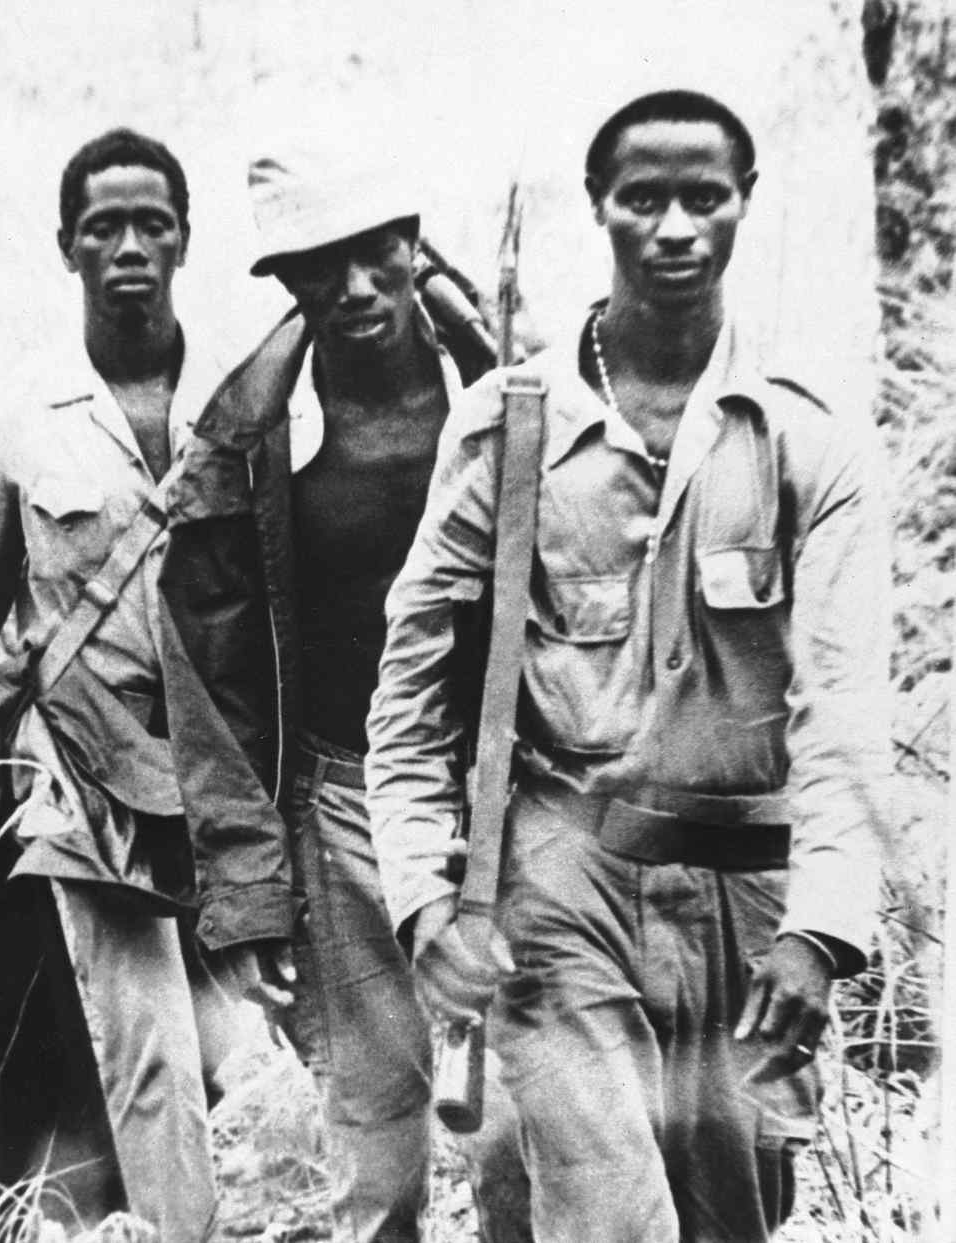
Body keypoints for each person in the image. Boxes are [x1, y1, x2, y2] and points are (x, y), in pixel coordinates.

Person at [367, 85, 890, 1243]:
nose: (674, 229)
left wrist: (819, 930)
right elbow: (410, 700)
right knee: (611, 1217)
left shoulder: (808, 436)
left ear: (743, 202)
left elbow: (844, 713)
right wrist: (423, 899)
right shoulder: (506, 428)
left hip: (749, 897)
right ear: (596, 205)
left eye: (703, 199)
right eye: (642, 200)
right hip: (563, 881)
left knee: (733, 1215)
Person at [0, 125, 275, 1240]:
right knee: (142, 1046)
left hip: (220, 784)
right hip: (77, 774)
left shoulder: (247, 398)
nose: (129, 249)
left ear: (184, 241)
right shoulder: (22, 409)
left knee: (244, 1053)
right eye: (103, 227)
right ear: (67, 246)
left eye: (151, 225)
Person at [158, 145, 528, 1243]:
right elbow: (209, 680)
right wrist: (247, 887)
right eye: (322, 265)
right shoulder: (245, 435)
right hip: (340, 805)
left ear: (414, 241)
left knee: (520, 1132)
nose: (357, 287)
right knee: (374, 1144)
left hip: (508, 803)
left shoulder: (519, 392)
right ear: (285, 279)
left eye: (377, 253)